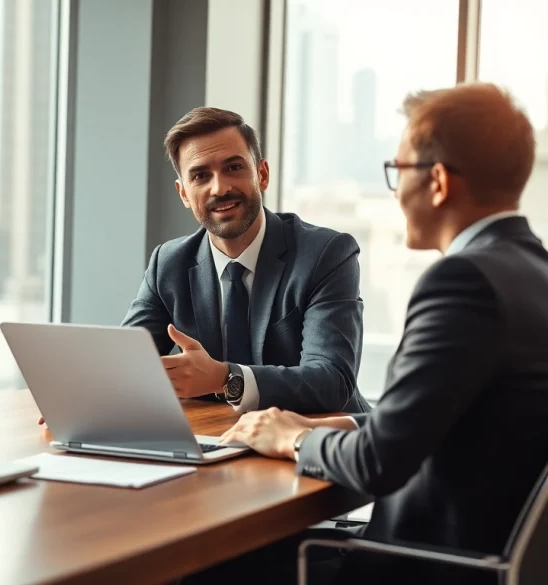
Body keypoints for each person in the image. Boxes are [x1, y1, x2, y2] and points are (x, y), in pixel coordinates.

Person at [216, 83, 548, 585]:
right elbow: (453, 420)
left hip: (425, 565)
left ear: (437, 182)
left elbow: (378, 465)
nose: (396, 192)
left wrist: (294, 436)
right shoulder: (533, 271)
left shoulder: (461, 282)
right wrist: (342, 426)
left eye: (398, 171)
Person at [123, 107, 369, 414]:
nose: (220, 188)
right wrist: (83, 399)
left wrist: (225, 379)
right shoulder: (168, 264)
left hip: (316, 442)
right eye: (201, 175)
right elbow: (125, 366)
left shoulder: (326, 254)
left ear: (262, 174)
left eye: (234, 168)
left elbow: (332, 382)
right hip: (216, 439)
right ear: (184, 193)